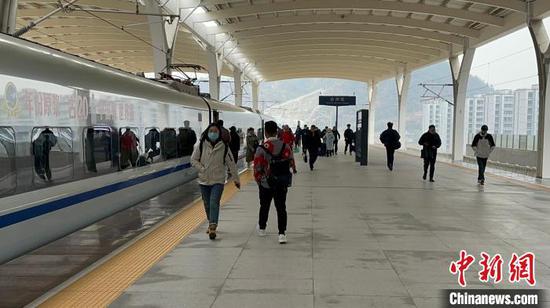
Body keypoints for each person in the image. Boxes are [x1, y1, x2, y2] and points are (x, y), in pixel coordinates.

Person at [191, 123, 240, 240]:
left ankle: (213, 226)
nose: (213, 133)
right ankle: (210, 222)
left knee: (214, 202)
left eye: (215, 131)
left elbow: (231, 164)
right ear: (207, 132)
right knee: (207, 204)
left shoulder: (224, 147)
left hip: (218, 180)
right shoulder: (201, 145)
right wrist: (202, 169)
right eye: (211, 131)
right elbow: (193, 160)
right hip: (203, 180)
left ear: (219, 134)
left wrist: (236, 179)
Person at [254, 120, 297, 244]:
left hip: (266, 183)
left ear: (266, 132)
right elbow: (291, 161)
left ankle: (262, 228)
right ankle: (282, 234)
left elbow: (257, 167)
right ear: (277, 131)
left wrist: (259, 181)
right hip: (281, 182)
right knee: (281, 207)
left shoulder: (261, 148)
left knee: (264, 205)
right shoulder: (285, 146)